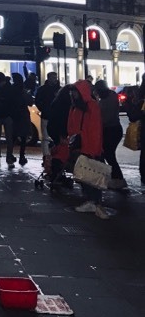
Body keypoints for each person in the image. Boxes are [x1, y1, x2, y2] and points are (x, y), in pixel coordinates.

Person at [69, 79, 108, 219]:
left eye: (75, 91)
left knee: (90, 176)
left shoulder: (91, 106)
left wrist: (94, 149)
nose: (73, 94)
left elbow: (95, 130)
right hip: (81, 146)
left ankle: (95, 203)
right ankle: (93, 202)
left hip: (89, 147)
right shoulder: (78, 106)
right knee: (84, 176)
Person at [94, 80, 126, 190]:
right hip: (111, 129)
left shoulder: (108, 99)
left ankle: (118, 178)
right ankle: (115, 178)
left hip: (111, 130)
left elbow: (107, 117)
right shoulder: (109, 96)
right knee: (108, 154)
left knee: (109, 155)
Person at [10, 72, 33, 165]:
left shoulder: (11, 90)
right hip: (23, 116)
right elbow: (30, 102)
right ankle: (22, 156)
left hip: (13, 116)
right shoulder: (23, 91)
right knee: (23, 138)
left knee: (13, 137)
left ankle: (10, 154)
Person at [34, 72, 60, 156]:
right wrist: (43, 109)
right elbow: (37, 101)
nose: (55, 79)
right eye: (53, 77)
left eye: (55, 77)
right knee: (45, 137)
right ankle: (46, 156)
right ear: (48, 78)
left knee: (55, 137)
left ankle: (54, 155)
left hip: (55, 116)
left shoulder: (58, 89)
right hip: (47, 116)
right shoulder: (43, 89)